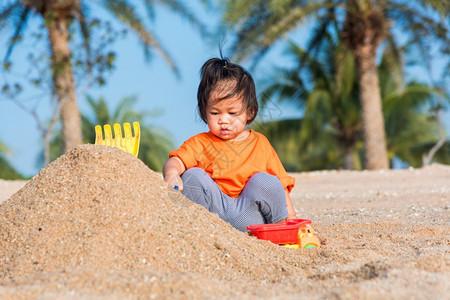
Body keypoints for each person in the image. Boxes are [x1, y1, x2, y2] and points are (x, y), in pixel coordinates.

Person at [163, 57, 297, 232]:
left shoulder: (260, 144)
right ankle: (193, 230)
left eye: (233, 113)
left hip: (250, 217)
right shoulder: (201, 143)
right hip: (211, 214)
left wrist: (292, 219)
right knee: (192, 175)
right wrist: (172, 173)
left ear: (250, 111)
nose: (224, 120)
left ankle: (281, 229)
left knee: (266, 181)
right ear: (204, 112)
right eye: (215, 112)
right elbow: (177, 160)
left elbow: (281, 186)